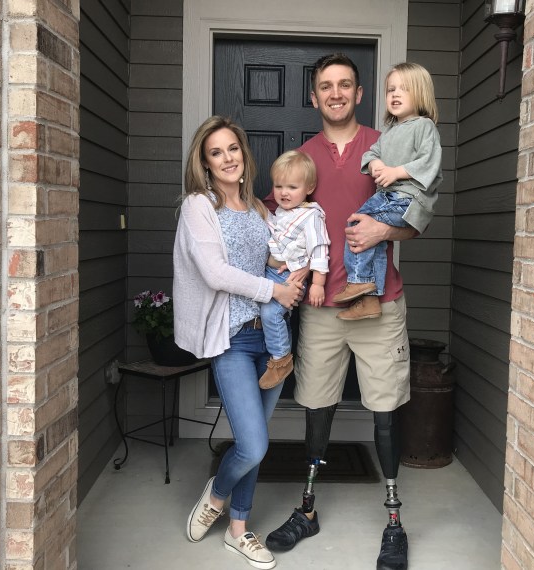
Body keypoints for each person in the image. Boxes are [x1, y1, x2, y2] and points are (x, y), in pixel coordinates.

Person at [264, 54, 432, 570]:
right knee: (317, 406)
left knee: (385, 408)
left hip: (378, 303)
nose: (335, 93)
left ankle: (394, 520)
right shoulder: (301, 159)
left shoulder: (387, 145)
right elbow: (275, 226)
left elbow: (418, 208)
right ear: (313, 98)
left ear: (360, 94)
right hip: (321, 309)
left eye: (345, 85)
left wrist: (387, 231)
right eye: (325, 87)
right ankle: (308, 508)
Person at [173, 115, 303, 570]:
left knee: (258, 438)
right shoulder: (198, 206)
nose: (227, 158)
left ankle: (238, 531)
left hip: (271, 341)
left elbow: (282, 259)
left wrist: (299, 273)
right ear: (205, 164)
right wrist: (275, 290)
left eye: (233, 149)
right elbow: (214, 273)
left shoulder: (263, 210)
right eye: (216, 152)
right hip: (230, 339)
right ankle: (216, 495)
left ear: (244, 156)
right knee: (253, 444)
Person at [332, 62, 442, 321]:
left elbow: (430, 161)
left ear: (421, 94)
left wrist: (395, 172)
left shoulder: (424, 126)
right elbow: (372, 153)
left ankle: (359, 281)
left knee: (357, 224)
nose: (395, 94)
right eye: (390, 89)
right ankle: (370, 300)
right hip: (389, 197)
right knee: (372, 236)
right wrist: (376, 163)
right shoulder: (391, 131)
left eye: (404, 89)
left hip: (407, 199)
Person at [258, 150, 330, 390]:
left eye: (291, 187)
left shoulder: (311, 217)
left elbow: (319, 249)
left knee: (270, 313)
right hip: (273, 272)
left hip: (292, 277)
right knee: (268, 311)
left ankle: (281, 359)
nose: (284, 193)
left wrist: (318, 283)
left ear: (309, 187)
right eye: (278, 186)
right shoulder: (282, 212)